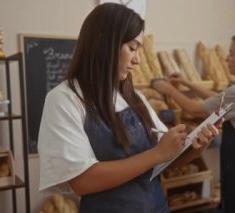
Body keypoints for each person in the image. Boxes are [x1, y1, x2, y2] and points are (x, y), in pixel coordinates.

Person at [37, 3, 221, 213]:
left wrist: (195, 148)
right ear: (103, 43)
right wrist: (156, 155)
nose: (137, 59)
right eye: (132, 48)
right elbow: (82, 181)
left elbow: (165, 159)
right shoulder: (64, 100)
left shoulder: (134, 97)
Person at [152, 31, 235, 213]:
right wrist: (187, 83)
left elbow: (195, 109)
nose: (227, 59)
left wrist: (169, 90)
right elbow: (219, 99)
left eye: (232, 53)